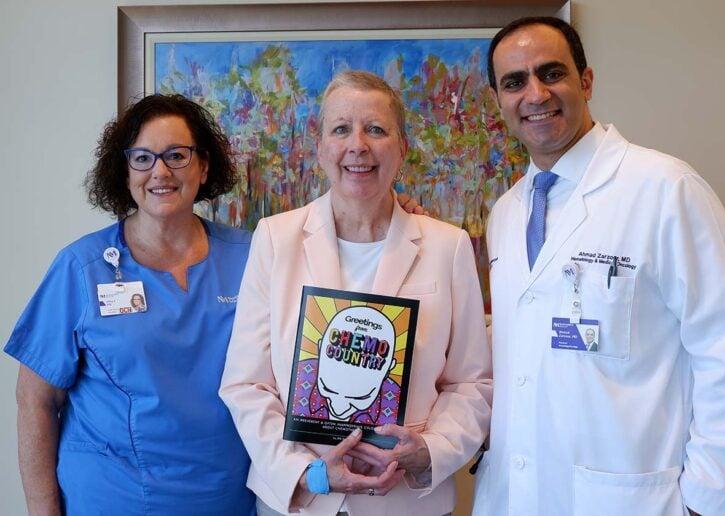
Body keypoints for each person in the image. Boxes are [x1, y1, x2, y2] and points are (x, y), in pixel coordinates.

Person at [473, 16, 725, 516]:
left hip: (634, 499)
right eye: (514, 82)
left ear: (586, 81)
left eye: (552, 73)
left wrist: (710, 502)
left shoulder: (666, 189)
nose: (536, 94)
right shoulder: (506, 212)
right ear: (498, 100)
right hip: (515, 495)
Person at [220, 70, 492, 516]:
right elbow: (246, 384)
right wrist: (306, 472)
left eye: (377, 130)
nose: (358, 145)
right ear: (320, 147)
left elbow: (471, 382)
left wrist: (431, 450)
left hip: (406, 502)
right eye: (341, 129)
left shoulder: (448, 245)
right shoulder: (274, 238)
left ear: (402, 147)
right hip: (302, 500)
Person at [5, 94, 256, 514]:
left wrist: (401, 212)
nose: (160, 171)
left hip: (227, 498)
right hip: (112, 498)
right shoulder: (81, 269)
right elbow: (36, 401)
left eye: (177, 155)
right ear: (125, 172)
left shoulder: (253, 256)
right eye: (142, 158)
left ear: (204, 165)